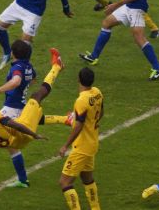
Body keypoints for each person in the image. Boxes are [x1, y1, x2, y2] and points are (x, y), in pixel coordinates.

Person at [0, 48, 66, 190]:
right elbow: (32, 79)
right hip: (22, 120)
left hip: (14, 110)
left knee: (38, 96)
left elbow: (16, 81)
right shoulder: (28, 67)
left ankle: (56, 66)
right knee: (37, 102)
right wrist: (34, 134)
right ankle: (67, 119)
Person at [58, 67, 103, 210]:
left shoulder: (81, 100)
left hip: (82, 146)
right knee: (87, 178)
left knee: (64, 182)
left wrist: (65, 145)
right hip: (92, 143)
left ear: (78, 79)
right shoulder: (97, 92)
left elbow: (78, 126)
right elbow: (101, 112)